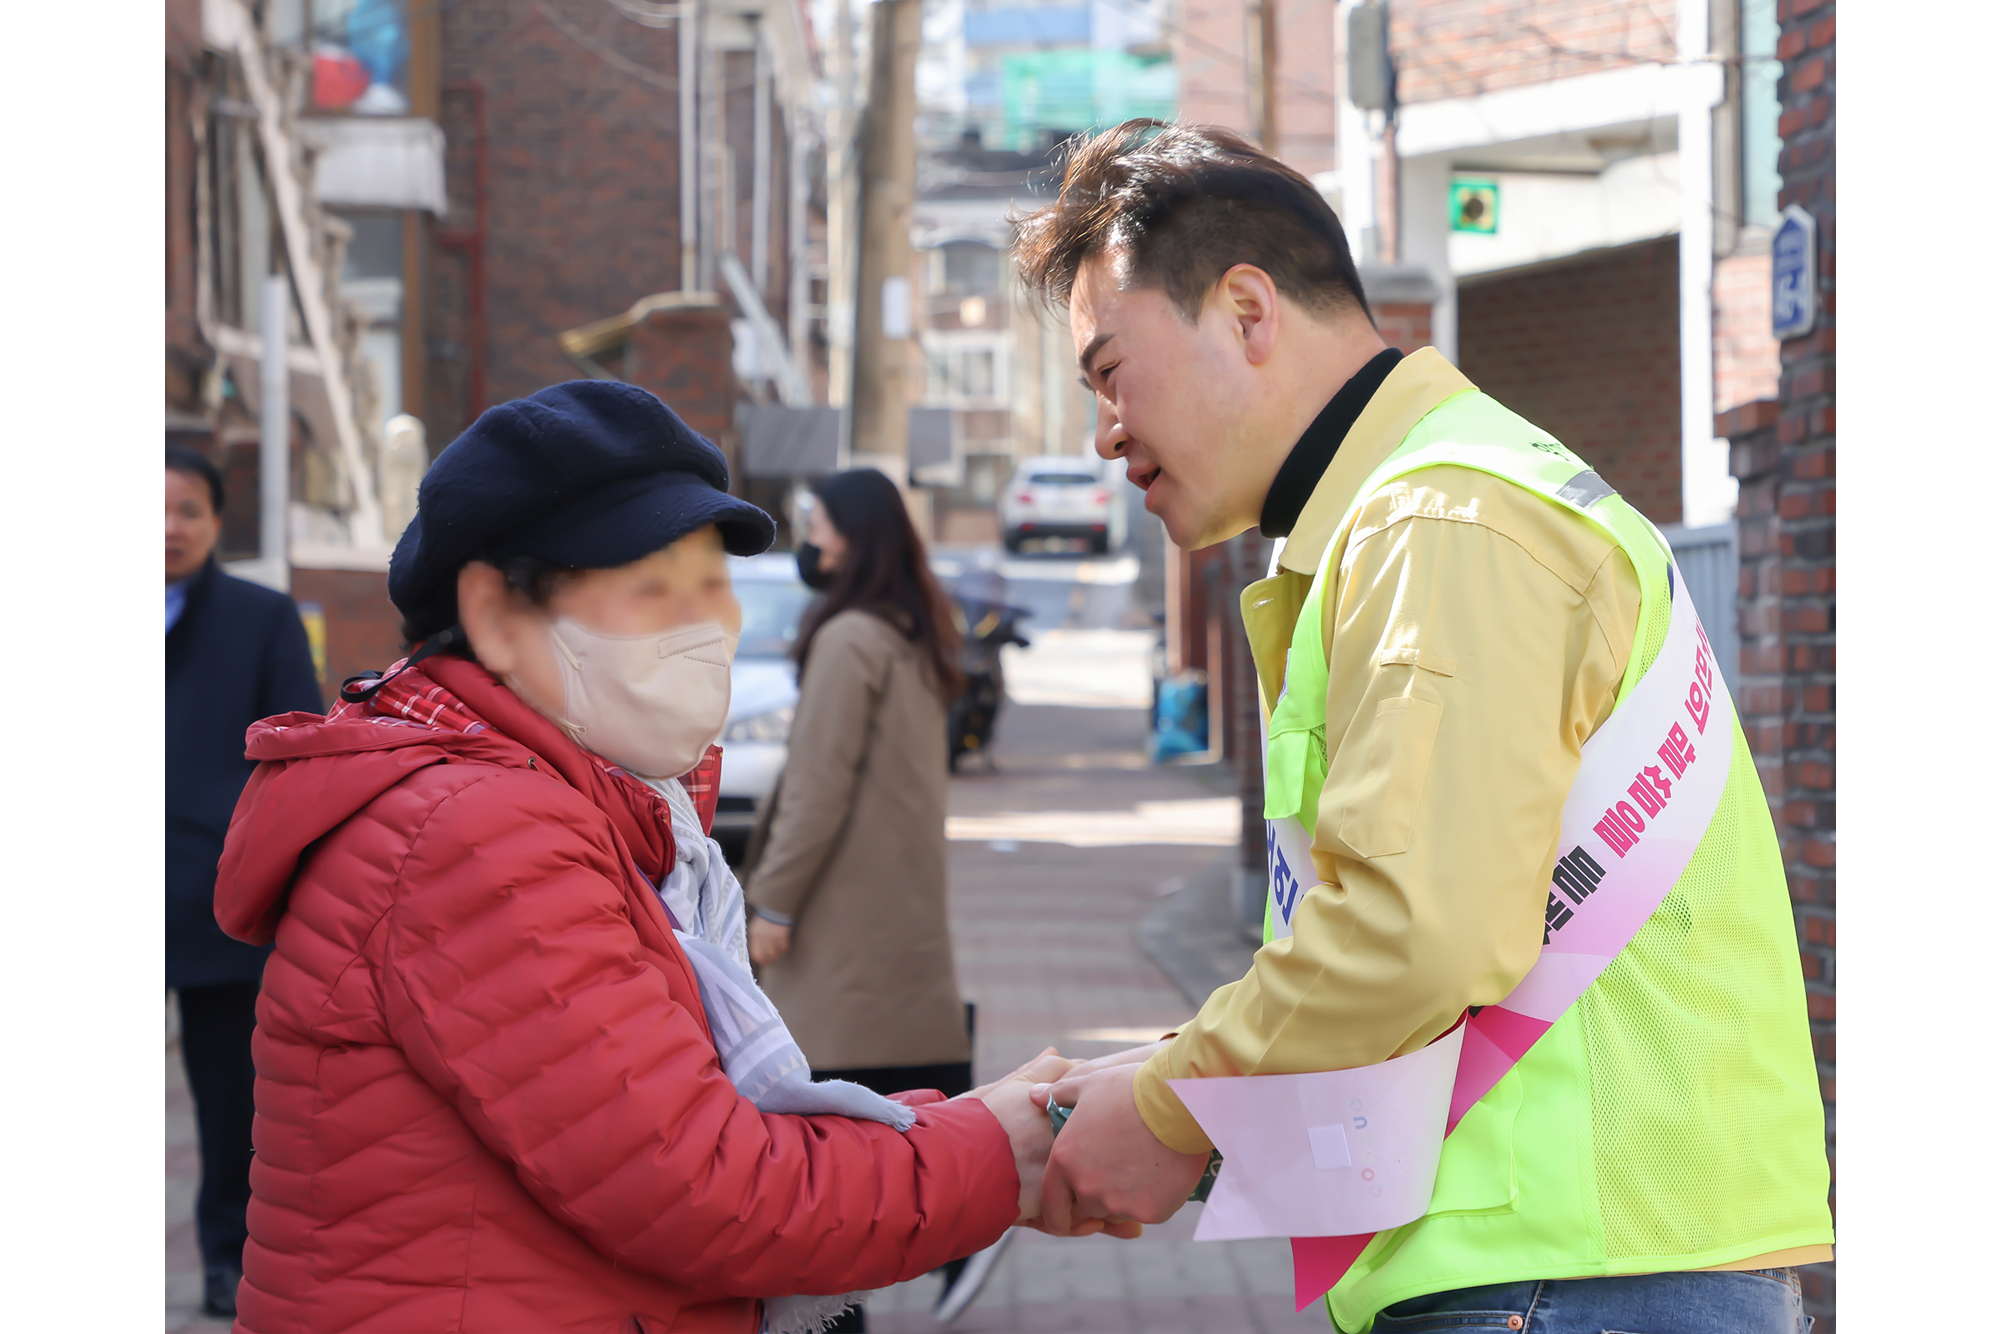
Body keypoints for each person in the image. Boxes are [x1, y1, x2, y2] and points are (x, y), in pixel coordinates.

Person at [1011, 122, 1834, 1334]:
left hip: (1564, 1281)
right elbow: (1408, 915)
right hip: (1581, 1264)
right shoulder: (1436, 507)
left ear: (1246, 310)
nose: (1105, 431)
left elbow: (1414, 928)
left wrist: (1174, 1108)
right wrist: (1167, 1072)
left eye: (1107, 370)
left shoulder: (1438, 522)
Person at [212, 382, 1069, 1333]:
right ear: (496, 614)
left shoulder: (594, 811)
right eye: (655, 588)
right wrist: (1008, 1150)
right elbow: (704, 1186)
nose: (713, 625)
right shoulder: (471, 832)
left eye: (715, 587)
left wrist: (971, 1124)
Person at [743, 469, 989, 1327]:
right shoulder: (911, 630)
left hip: (837, 910)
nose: (808, 537)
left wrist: (771, 905)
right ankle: (965, 1215)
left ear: (851, 535)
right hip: (893, 902)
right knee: (897, 1084)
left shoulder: (851, 637)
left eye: (816, 522)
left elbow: (816, 786)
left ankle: (954, 1228)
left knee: (818, 1123)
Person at [165, 446, 323, 1320]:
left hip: (210, 895)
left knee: (231, 1099)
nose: (167, 527)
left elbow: (296, 750)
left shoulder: (258, 619)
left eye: (187, 509)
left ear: (217, 521)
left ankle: (228, 1256)